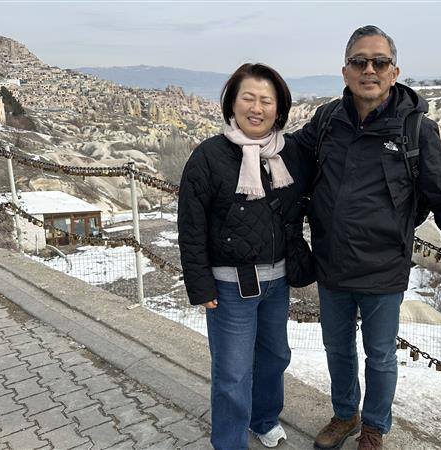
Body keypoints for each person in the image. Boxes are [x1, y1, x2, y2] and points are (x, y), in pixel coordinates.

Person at [291, 25, 441, 450]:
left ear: (394, 71)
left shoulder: (416, 129)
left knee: (381, 355)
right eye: (359, 62)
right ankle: (345, 415)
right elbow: (290, 154)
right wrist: (242, 147)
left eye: (379, 62)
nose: (369, 69)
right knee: (337, 348)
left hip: (384, 266)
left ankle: (373, 428)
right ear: (345, 71)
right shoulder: (328, 120)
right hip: (331, 261)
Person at [178, 63, 311, 450]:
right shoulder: (209, 156)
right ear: (232, 104)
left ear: (279, 108)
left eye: (266, 100)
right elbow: (191, 224)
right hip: (229, 287)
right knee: (233, 372)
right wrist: (200, 284)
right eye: (248, 98)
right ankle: (230, 442)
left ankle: (264, 419)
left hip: (277, 281)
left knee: (275, 357)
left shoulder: (288, 154)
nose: (257, 108)